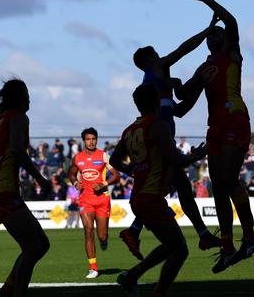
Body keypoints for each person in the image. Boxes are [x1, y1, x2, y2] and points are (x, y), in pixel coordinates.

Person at [122, 15, 222, 260]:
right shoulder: (155, 68)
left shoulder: (157, 84)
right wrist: (207, 29)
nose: (160, 56)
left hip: (163, 133)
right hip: (160, 137)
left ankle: (202, 234)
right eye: (156, 53)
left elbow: (179, 110)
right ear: (149, 60)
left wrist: (195, 85)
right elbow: (183, 50)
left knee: (182, 187)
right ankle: (134, 231)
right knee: (165, 186)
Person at [177, 0, 254, 273]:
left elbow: (232, 21)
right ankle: (227, 246)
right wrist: (170, 85)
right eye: (210, 33)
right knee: (218, 188)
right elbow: (182, 99)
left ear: (224, 38)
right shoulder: (203, 68)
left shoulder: (232, 54)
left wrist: (207, 0)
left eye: (218, 31)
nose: (215, 34)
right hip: (214, 127)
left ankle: (249, 237)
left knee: (226, 179)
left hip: (234, 118)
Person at [111, 84, 207, 297]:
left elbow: (113, 160)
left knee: (170, 245)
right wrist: (195, 156)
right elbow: (175, 159)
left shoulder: (130, 130)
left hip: (139, 197)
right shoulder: (158, 125)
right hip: (151, 197)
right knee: (180, 250)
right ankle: (156, 292)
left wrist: (131, 169)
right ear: (157, 101)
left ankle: (132, 276)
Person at [0, 79, 51, 297]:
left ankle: (6, 290)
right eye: (27, 93)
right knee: (34, 247)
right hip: (4, 192)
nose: (29, 97)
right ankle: (15, 293)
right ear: (21, 97)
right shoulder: (19, 118)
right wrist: (40, 178)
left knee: (40, 244)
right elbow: (19, 151)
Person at [68, 127, 121, 279]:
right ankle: (93, 268)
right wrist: (76, 183)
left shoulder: (104, 156)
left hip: (102, 199)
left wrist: (104, 183)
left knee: (102, 235)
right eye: (88, 139)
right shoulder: (77, 158)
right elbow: (71, 174)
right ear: (83, 141)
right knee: (88, 230)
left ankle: (104, 240)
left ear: (96, 140)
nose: (91, 142)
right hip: (86, 199)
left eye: (93, 139)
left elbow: (116, 175)